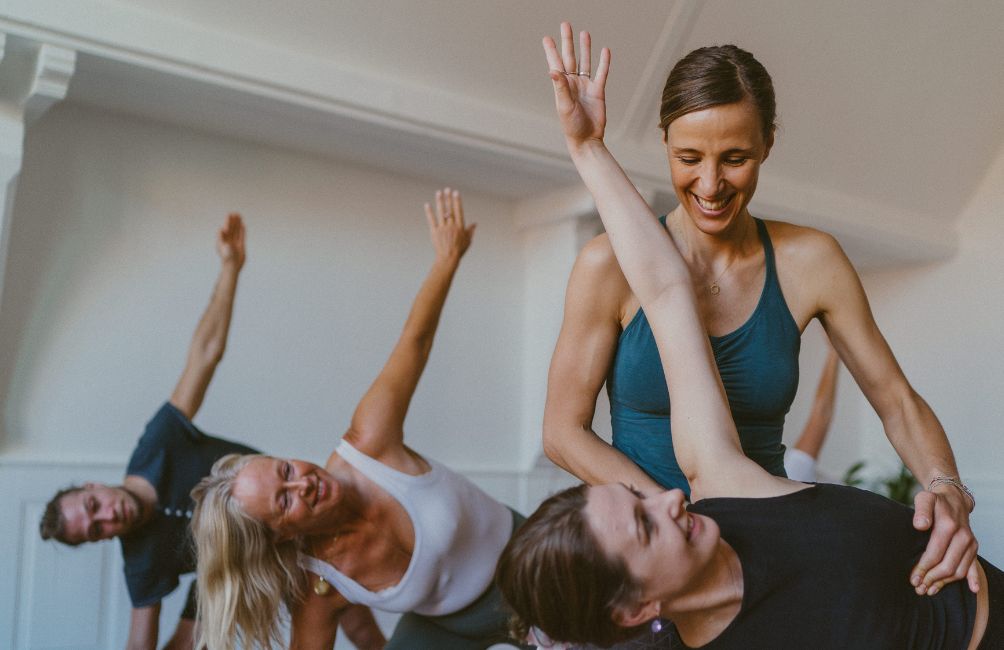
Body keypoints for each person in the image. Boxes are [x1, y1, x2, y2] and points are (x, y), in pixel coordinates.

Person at [494, 26, 1002, 649]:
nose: (710, 185)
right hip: (690, 551)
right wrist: (678, 511)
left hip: (758, 513)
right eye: (688, 159)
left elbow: (894, 398)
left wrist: (946, 490)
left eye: (735, 158)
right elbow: (564, 427)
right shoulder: (609, 268)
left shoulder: (811, 260)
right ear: (665, 146)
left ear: (766, 145)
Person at [191, 189, 530, 650]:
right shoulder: (319, 586)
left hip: (532, 560)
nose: (303, 485)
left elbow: (415, 342)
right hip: (452, 625)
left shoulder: (368, 444)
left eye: (287, 472)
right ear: (280, 535)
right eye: (285, 502)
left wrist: (447, 259)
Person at [38, 214, 384, 650]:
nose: (107, 517)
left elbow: (204, 354)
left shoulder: (157, 447)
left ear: (93, 486)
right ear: (100, 539)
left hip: (294, 514)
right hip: (240, 564)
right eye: (96, 529)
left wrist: (230, 267)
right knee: (193, 638)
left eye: (93, 505)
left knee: (363, 632)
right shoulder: (140, 560)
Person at [783, 345, 840, 482]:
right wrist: (835, 350)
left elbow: (822, 412)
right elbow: (822, 413)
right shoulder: (791, 473)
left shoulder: (790, 472)